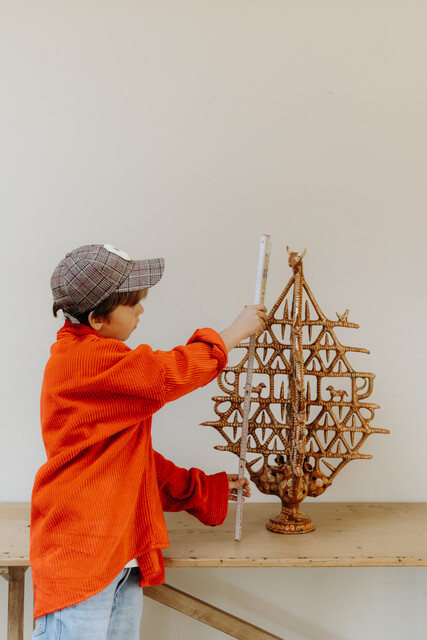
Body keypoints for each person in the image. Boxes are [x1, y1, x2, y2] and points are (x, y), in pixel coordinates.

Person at [30, 243, 267, 640]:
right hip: (83, 556)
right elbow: (164, 374)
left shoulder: (103, 367)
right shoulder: (86, 361)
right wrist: (232, 333)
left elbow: (130, 461)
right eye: (133, 303)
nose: (142, 310)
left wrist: (204, 488)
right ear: (97, 318)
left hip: (120, 557)